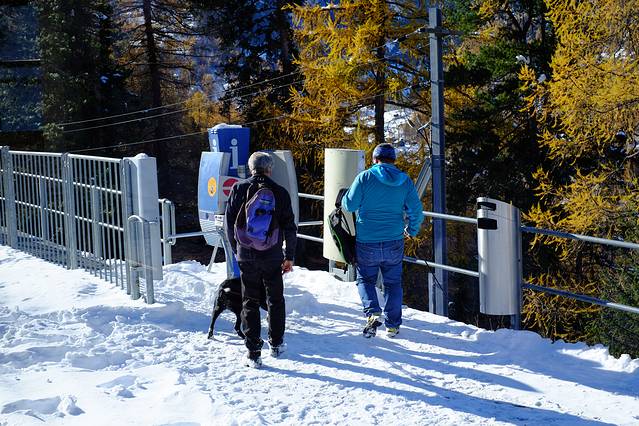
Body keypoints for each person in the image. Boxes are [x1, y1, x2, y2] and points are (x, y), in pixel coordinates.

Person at [341, 143, 423, 338]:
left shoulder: (365, 177)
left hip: (367, 241)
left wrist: (345, 196)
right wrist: (411, 230)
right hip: (394, 240)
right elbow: (416, 211)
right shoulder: (405, 181)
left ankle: (372, 312)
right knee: (393, 283)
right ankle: (393, 326)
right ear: (393, 160)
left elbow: (349, 205)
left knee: (365, 279)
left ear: (375, 159)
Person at [225, 152, 297, 368]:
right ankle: (276, 343)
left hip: (246, 253)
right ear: (270, 169)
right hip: (272, 254)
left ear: (251, 168)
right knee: (275, 299)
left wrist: (237, 249)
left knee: (250, 300)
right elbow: (290, 227)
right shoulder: (280, 192)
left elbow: (229, 223)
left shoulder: (239, 188)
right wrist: (289, 256)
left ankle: (254, 352)